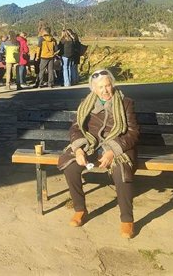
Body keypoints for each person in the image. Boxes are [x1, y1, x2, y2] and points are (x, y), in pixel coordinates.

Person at [57, 68, 139, 239]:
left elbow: (132, 133)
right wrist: (78, 149)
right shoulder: (86, 103)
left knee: (120, 170)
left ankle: (127, 220)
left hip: (118, 146)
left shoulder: (126, 102)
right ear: (93, 89)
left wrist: (112, 151)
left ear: (112, 85)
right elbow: (76, 128)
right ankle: (80, 210)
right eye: (100, 87)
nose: (105, 90)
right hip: (91, 146)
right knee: (71, 166)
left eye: (108, 86)